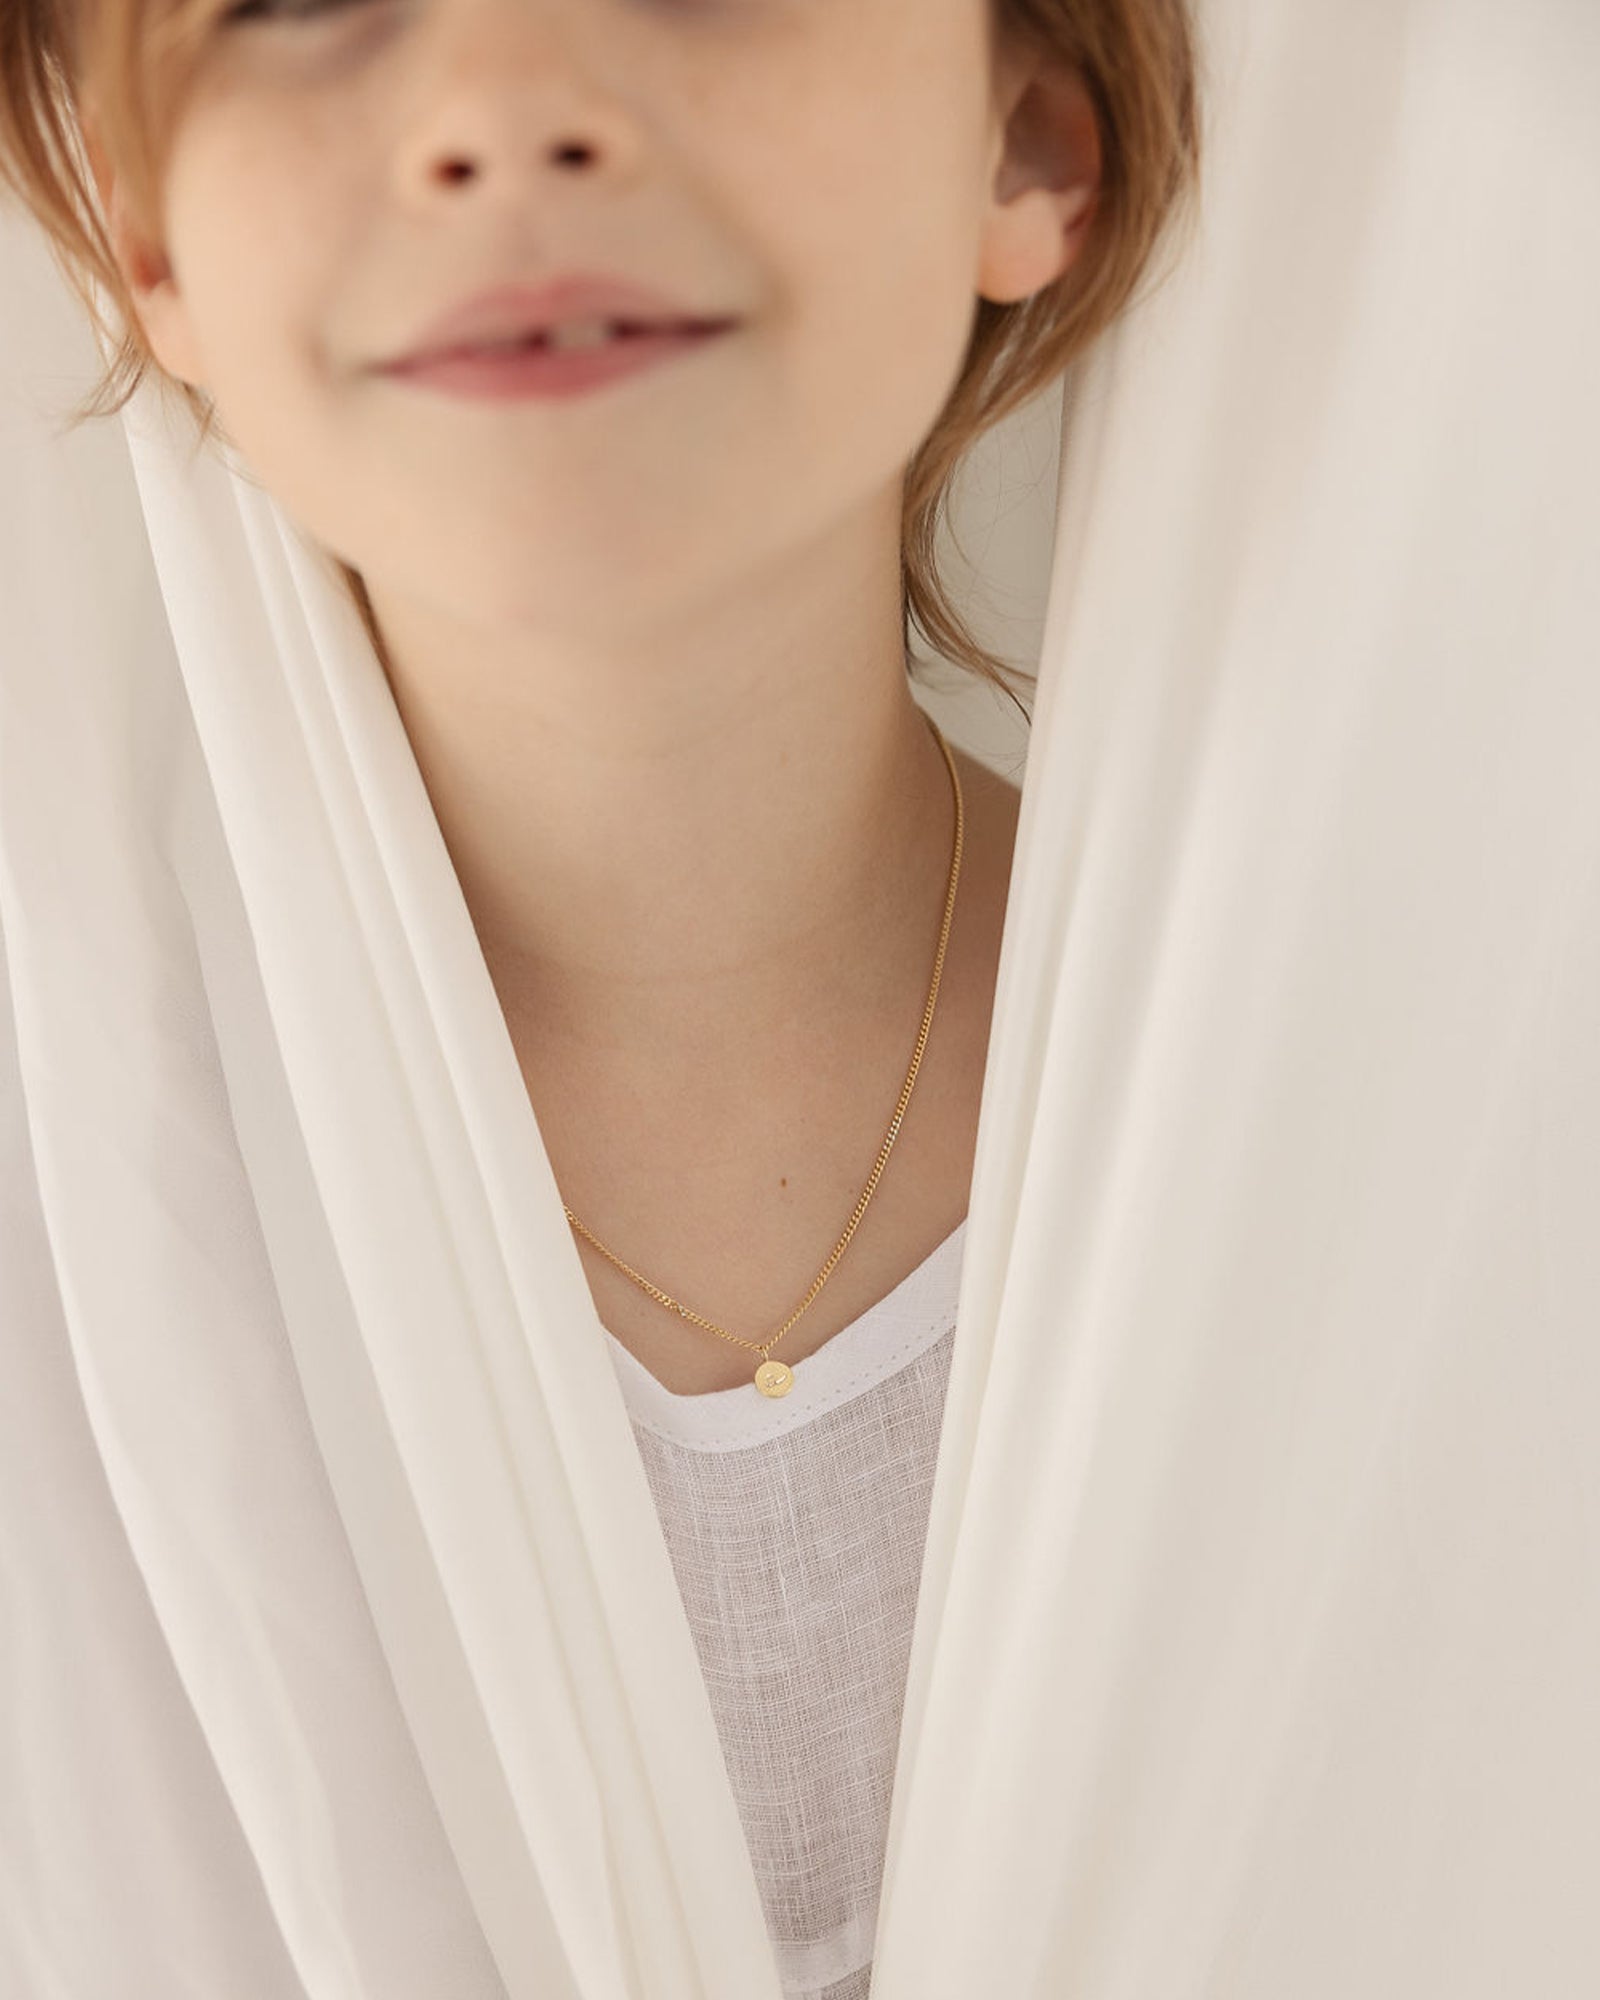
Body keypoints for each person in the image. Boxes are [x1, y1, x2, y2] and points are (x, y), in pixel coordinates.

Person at [0, 2, 1200, 1992]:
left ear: (1030, 143)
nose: (502, 118)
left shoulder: (1414, 1143)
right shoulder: (77, 1243)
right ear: (143, 239)